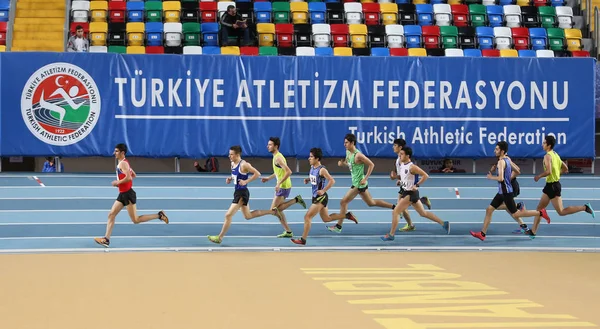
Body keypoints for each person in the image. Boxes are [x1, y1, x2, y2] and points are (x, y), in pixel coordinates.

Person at [470, 141, 549, 241]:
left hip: (506, 192)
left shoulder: (501, 162)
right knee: (489, 209)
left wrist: (491, 177)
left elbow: (501, 178)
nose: (494, 150)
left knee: (516, 214)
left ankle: (540, 213)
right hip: (501, 192)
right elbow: (516, 171)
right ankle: (482, 234)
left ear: (502, 151)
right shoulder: (507, 159)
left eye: (497, 149)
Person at [94, 144, 169, 248]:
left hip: (128, 194)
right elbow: (134, 175)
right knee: (111, 214)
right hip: (123, 194)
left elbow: (129, 177)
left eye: (116, 151)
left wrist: (118, 182)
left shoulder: (123, 164)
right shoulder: (125, 162)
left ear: (122, 153)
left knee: (136, 220)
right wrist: (122, 183)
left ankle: (159, 215)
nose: (114, 153)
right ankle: (106, 239)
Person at [523, 135, 595, 238]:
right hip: (550, 185)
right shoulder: (555, 155)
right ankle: (533, 232)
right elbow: (565, 169)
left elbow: (548, 171)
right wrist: (556, 175)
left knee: (561, 211)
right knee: (540, 208)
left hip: (553, 186)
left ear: (549, 145)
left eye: (544, 143)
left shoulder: (547, 156)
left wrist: (539, 176)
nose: (542, 145)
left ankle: (585, 207)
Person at [326, 133, 397, 233]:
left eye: (346, 143)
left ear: (352, 143)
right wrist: (343, 164)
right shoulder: (348, 152)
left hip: (359, 184)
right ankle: (395, 207)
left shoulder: (358, 155)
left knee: (343, 202)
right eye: (344, 142)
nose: (344, 144)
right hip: (357, 183)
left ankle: (338, 226)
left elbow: (371, 165)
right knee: (371, 203)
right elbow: (350, 165)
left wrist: (365, 178)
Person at [381, 146, 450, 241]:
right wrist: (399, 181)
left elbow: (425, 175)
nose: (400, 156)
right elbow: (406, 178)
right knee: (423, 213)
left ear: (407, 155)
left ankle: (391, 235)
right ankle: (443, 223)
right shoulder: (402, 164)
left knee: (396, 211)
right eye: (399, 154)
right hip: (407, 192)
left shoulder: (412, 167)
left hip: (410, 194)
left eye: (402, 154)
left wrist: (417, 185)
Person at [249, 137, 306, 238]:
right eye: (268, 144)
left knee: (273, 210)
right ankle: (288, 231)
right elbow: (279, 172)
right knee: (277, 210)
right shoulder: (277, 156)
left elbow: (289, 171)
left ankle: (296, 200)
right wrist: (269, 178)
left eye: (270, 145)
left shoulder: (278, 158)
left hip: (283, 186)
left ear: (276, 146)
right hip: (285, 185)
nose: (268, 146)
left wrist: (279, 183)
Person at [208, 145, 261, 244]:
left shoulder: (244, 164)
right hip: (237, 192)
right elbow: (235, 175)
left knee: (228, 215)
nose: (229, 156)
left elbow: (257, 174)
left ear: (237, 155)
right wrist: (230, 178)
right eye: (229, 154)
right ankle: (272, 212)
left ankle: (219, 237)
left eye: (231, 155)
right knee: (248, 216)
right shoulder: (232, 163)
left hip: (242, 193)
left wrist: (246, 181)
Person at [291, 148, 338, 245]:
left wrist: (323, 190)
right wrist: (308, 179)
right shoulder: (312, 167)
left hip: (321, 197)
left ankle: (303, 240)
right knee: (326, 219)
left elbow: (332, 181)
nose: (309, 158)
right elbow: (315, 178)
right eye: (309, 156)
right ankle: (347, 215)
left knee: (307, 217)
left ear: (317, 158)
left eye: (311, 157)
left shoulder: (322, 170)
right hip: (315, 196)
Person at [389, 138, 432, 233]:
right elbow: (401, 175)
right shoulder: (398, 160)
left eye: (395, 145)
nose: (393, 147)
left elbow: (408, 173)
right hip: (404, 184)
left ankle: (410, 225)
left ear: (400, 147)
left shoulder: (402, 160)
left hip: (407, 186)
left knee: (400, 207)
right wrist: (396, 178)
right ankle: (422, 201)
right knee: (404, 206)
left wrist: (415, 184)